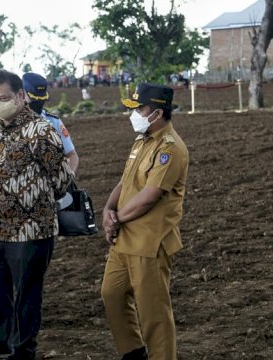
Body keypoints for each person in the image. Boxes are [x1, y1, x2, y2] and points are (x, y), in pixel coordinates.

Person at [0, 69, 73, 360]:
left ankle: (23, 348)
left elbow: (62, 177)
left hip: (30, 228)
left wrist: (32, 198)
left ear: (21, 96)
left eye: (4, 97)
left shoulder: (42, 130)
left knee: (26, 292)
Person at [100, 83, 189, 360]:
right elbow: (125, 181)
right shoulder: (142, 140)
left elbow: (150, 196)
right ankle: (133, 352)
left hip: (149, 243)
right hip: (124, 239)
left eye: (140, 108)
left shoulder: (170, 149)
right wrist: (107, 209)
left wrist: (117, 220)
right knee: (111, 294)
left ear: (157, 113)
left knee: (154, 313)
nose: (134, 114)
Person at [22, 72, 79, 174]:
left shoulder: (54, 122)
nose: (38, 103)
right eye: (33, 99)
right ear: (21, 94)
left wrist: (68, 178)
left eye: (41, 99)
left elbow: (72, 155)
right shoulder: (11, 124)